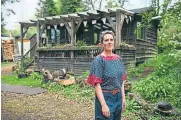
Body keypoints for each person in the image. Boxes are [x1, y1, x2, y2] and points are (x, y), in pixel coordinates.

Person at [87, 30, 127, 120]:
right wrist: (103, 105)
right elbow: (97, 85)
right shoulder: (99, 60)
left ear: (114, 42)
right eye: (106, 40)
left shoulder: (118, 59)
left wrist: (123, 98)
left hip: (118, 97)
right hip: (106, 98)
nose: (109, 42)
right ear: (102, 43)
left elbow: (122, 81)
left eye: (111, 40)